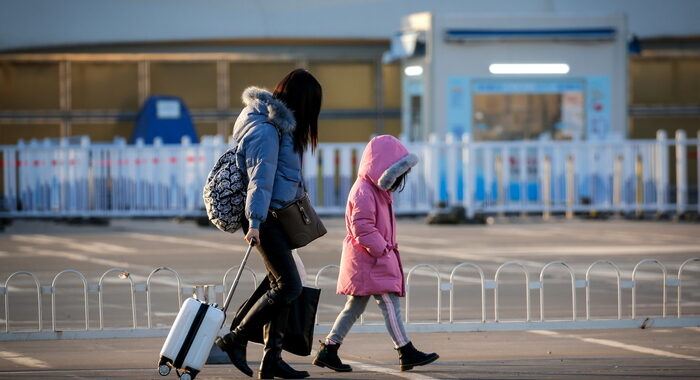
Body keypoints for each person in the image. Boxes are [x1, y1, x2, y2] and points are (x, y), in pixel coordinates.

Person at [216, 69, 322, 379]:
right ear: (302, 102)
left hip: (277, 217)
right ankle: (234, 340)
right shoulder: (266, 130)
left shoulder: (279, 127)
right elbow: (259, 181)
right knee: (289, 286)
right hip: (268, 220)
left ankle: (271, 359)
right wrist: (255, 222)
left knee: (284, 286)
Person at [312, 135, 439, 372]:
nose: (399, 181)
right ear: (383, 169)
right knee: (390, 304)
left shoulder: (375, 190)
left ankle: (329, 349)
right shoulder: (364, 190)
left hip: (369, 259)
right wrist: (381, 250)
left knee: (355, 307)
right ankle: (405, 350)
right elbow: (362, 226)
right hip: (371, 259)